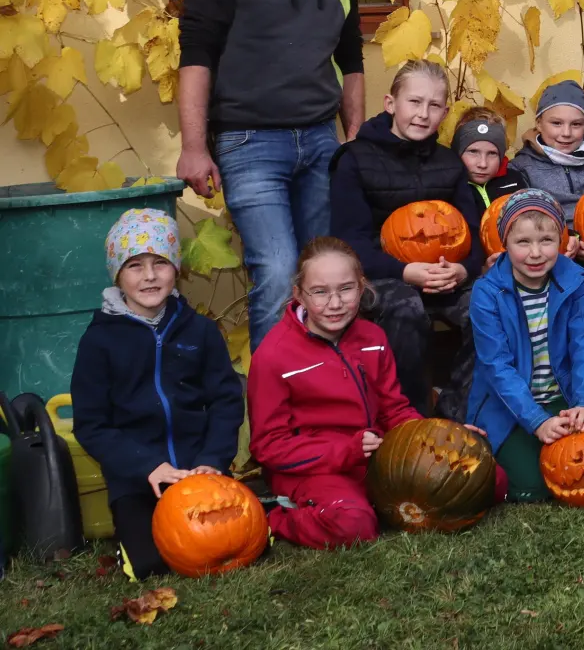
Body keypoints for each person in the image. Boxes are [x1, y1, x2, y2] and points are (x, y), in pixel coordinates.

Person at [177, 0, 365, 351]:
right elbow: (196, 51)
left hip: (321, 143)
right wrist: (192, 146)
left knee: (326, 279)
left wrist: (352, 137)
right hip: (249, 143)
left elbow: (351, 58)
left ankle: (323, 392)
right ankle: (272, 403)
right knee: (280, 272)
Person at [70, 209, 245, 580]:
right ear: (117, 274)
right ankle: (132, 543)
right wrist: (147, 465)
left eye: (160, 263)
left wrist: (212, 459)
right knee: (152, 566)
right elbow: (91, 425)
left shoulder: (200, 331)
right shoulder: (99, 342)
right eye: (134, 265)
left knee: (231, 544)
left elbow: (225, 400)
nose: (149, 276)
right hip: (137, 479)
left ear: (176, 269)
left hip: (200, 473)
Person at [247, 238, 428, 549]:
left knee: (485, 481)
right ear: (299, 294)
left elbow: (393, 409)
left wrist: (433, 436)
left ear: (361, 287)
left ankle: (367, 502)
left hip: (373, 461)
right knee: (354, 525)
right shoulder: (273, 356)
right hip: (312, 470)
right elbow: (269, 446)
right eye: (320, 292)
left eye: (346, 289)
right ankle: (275, 517)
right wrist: (347, 450)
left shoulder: (373, 337)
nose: (335, 304)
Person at [328, 60, 484, 417]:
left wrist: (463, 269)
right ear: (390, 103)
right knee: (406, 309)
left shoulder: (450, 164)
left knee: (488, 306)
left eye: (434, 105)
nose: (423, 114)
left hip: (445, 275)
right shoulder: (354, 160)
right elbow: (350, 242)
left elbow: (474, 234)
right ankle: (410, 420)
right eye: (414, 102)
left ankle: (456, 413)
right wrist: (405, 271)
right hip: (381, 275)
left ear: (445, 113)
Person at [465, 189, 584, 502]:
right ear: (505, 243)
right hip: (511, 407)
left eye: (546, 240)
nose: (536, 253)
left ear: (561, 240)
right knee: (532, 487)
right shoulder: (488, 294)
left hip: (562, 398)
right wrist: (536, 420)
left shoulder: (574, 282)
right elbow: (496, 366)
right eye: (523, 242)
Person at [506, 80, 584, 268]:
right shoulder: (522, 168)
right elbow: (526, 220)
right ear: (539, 123)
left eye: (576, 124)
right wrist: (571, 239)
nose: (566, 133)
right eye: (556, 123)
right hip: (551, 257)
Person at [453, 107, 527, 223]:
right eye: (473, 152)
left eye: (492, 153)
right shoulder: (451, 186)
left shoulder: (515, 181)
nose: (483, 164)